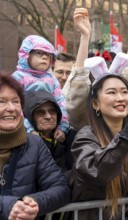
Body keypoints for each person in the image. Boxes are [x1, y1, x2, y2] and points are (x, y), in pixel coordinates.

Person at [71, 73, 128, 219]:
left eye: (124, 92)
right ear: (96, 103)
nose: (120, 98)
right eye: (112, 92)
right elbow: (95, 172)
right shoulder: (86, 136)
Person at [0, 73, 70, 219]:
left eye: (16, 101)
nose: (11, 108)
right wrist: (8, 206)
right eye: (2, 102)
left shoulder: (34, 144)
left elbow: (60, 188)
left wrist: (35, 202)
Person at [11, 34, 69, 142]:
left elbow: (61, 102)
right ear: (26, 55)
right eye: (39, 53)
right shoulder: (18, 78)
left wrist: (62, 127)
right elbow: (15, 107)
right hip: (24, 133)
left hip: (50, 131)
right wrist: (28, 129)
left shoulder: (51, 79)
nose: (44, 57)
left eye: (48, 54)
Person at [23, 90, 75, 175]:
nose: (48, 116)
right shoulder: (25, 144)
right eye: (40, 112)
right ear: (30, 116)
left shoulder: (69, 137)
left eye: (52, 111)